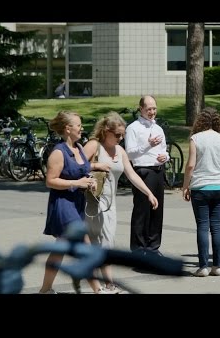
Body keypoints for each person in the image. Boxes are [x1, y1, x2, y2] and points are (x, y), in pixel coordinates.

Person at [83, 111, 159, 293]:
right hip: (90, 203)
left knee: (107, 243)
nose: (120, 138)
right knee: (94, 243)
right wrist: (95, 166)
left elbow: (131, 174)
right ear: (105, 131)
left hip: (110, 205)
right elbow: (75, 167)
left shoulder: (120, 150)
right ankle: (100, 285)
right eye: (117, 135)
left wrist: (149, 193)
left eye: (122, 135)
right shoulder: (94, 146)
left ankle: (107, 284)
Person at [38, 110, 104, 294]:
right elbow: (50, 181)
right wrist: (77, 183)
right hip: (63, 204)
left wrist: (89, 180)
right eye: (78, 125)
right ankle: (98, 290)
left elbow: (83, 170)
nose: (82, 128)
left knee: (59, 249)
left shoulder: (80, 148)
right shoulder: (58, 153)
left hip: (77, 203)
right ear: (68, 129)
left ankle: (44, 290)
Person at [182, 107, 220, 277]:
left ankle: (203, 266)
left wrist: (185, 186)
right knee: (216, 226)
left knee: (202, 226)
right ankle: (217, 266)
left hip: (201, 187)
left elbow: (190, 165)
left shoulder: (196, 139)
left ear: (200, 121)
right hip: (219, 186)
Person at [125, 95, 169, 255]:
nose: (152, 112)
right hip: (142, 172)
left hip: (158, 171)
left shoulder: (158, 128)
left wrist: (166, 156)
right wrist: (147, 144)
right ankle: (138, 249)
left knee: (157, 210)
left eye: (154, 108)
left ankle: (153, 247)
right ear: (141, 109)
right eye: (148, 109)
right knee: (142, 211)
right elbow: (129, 153)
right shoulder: (133, 128)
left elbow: (164, 148)